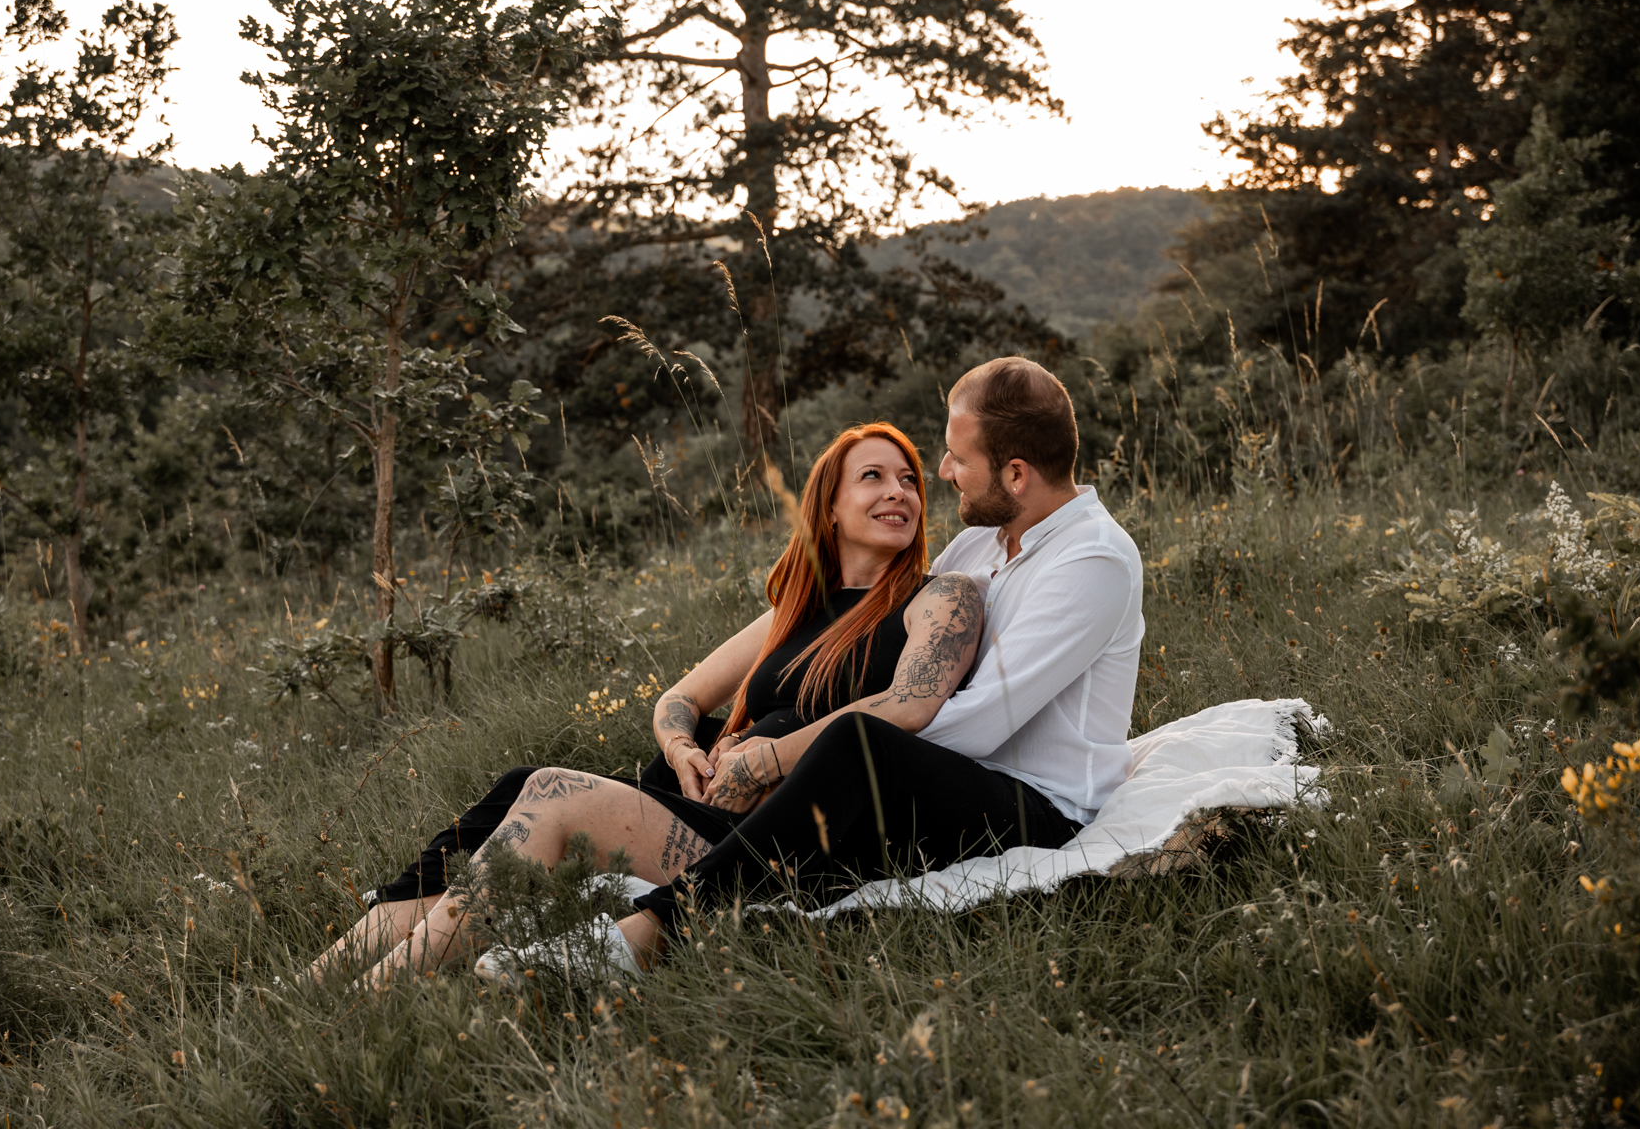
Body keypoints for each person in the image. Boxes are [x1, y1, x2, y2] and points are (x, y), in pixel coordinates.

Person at [480, 355, 1144, 981]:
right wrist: (765, 736)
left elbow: (970, 723)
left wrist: (786, 756)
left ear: (1018, 475)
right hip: (950, 780)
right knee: (719, 753)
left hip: (1033, 804)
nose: (942, 471)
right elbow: (905, 638)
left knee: (857, 747)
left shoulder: (1092, 562)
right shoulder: (982, 540)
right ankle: (616, 856)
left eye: (958, 459)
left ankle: (652, 931)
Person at [306, 422, 985, 986]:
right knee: (514, 788)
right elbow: (680, 698)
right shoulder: (793, 612)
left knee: (552, 790)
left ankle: (380, 994)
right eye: (873, 477)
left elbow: (909, 703)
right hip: (719, 811)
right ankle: (321, 978)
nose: (898, 493)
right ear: (829, 506)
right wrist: (682, 746)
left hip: (788, 841)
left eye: (909, 482)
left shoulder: (939, 596)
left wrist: (769, 758)